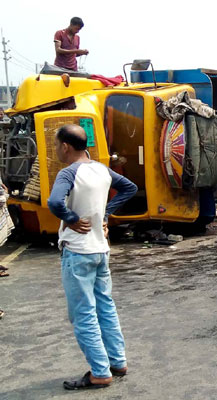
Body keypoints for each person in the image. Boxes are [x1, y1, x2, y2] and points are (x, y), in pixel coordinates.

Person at [47, 124, 137, 390]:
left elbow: (54, 203)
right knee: (105, 307)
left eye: (56, 145)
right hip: (100, 249)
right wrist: (105, 214)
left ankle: (99, 372)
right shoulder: (101, 169)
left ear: (65, 146)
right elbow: (130, 188)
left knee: (83, 313)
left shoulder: (68, 173)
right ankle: (117, 362)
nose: (55, 149)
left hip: (77, 252)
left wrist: (71, 219)